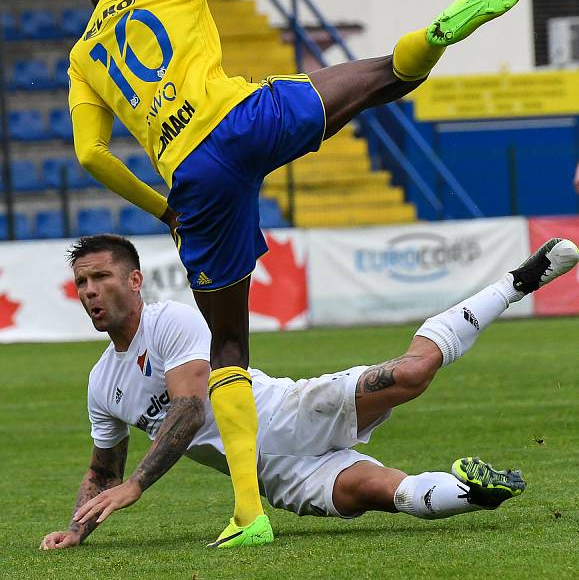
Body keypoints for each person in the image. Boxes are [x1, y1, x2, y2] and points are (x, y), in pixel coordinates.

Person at [68, 0, 524, 547]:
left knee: (230, 353)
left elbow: (89, 154)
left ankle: (248, 513)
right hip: (246, 116)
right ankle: (437, 35)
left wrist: (160, 209)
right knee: (379, 76)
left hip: (194, 177)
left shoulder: (84, 56)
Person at [39, 233, 578, 550]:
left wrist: (136, 485)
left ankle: (516, 283)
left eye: (100, 277)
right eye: (81, 283)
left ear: (133, 281)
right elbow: (101, 470)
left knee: (410, 375)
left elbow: (189, 407)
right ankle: (471, 486)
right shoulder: (101, 383)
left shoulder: (171, 322)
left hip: (292, 414)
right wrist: (76, 529)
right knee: (398, 497)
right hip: (276, 478)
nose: (90, 292)